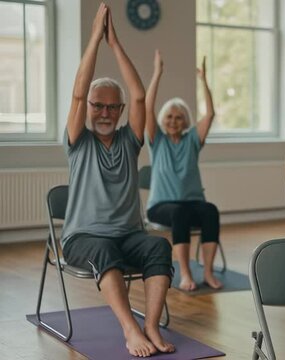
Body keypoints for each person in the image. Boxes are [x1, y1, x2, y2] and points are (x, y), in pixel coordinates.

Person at [61, 3, 174, 357]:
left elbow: (139, 95)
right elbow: (79, 93)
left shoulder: (129, 141)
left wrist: (115, 43)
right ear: (89, 107)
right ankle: (130, 330)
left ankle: (151, 326)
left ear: (121, 111)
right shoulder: (79, 142)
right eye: (98, 106)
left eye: (112, 107)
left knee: (158, 246)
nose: (104, 113)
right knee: (104, 251)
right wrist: (95, 38)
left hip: (130, 236)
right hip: (84, 238)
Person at [144, 50, 221, 291]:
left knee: (210, 211)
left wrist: (204, 82)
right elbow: (146, 108)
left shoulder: (192, 141)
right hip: (161, 207)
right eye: (169, 117)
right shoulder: (157, 141)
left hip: (192, 204)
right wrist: (157, 74)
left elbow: (209, 115)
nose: (173, 121)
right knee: (179, 214)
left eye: (179, 117)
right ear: (162, 120)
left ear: (185, 121)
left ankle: (207, 272)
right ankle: (186, 273)